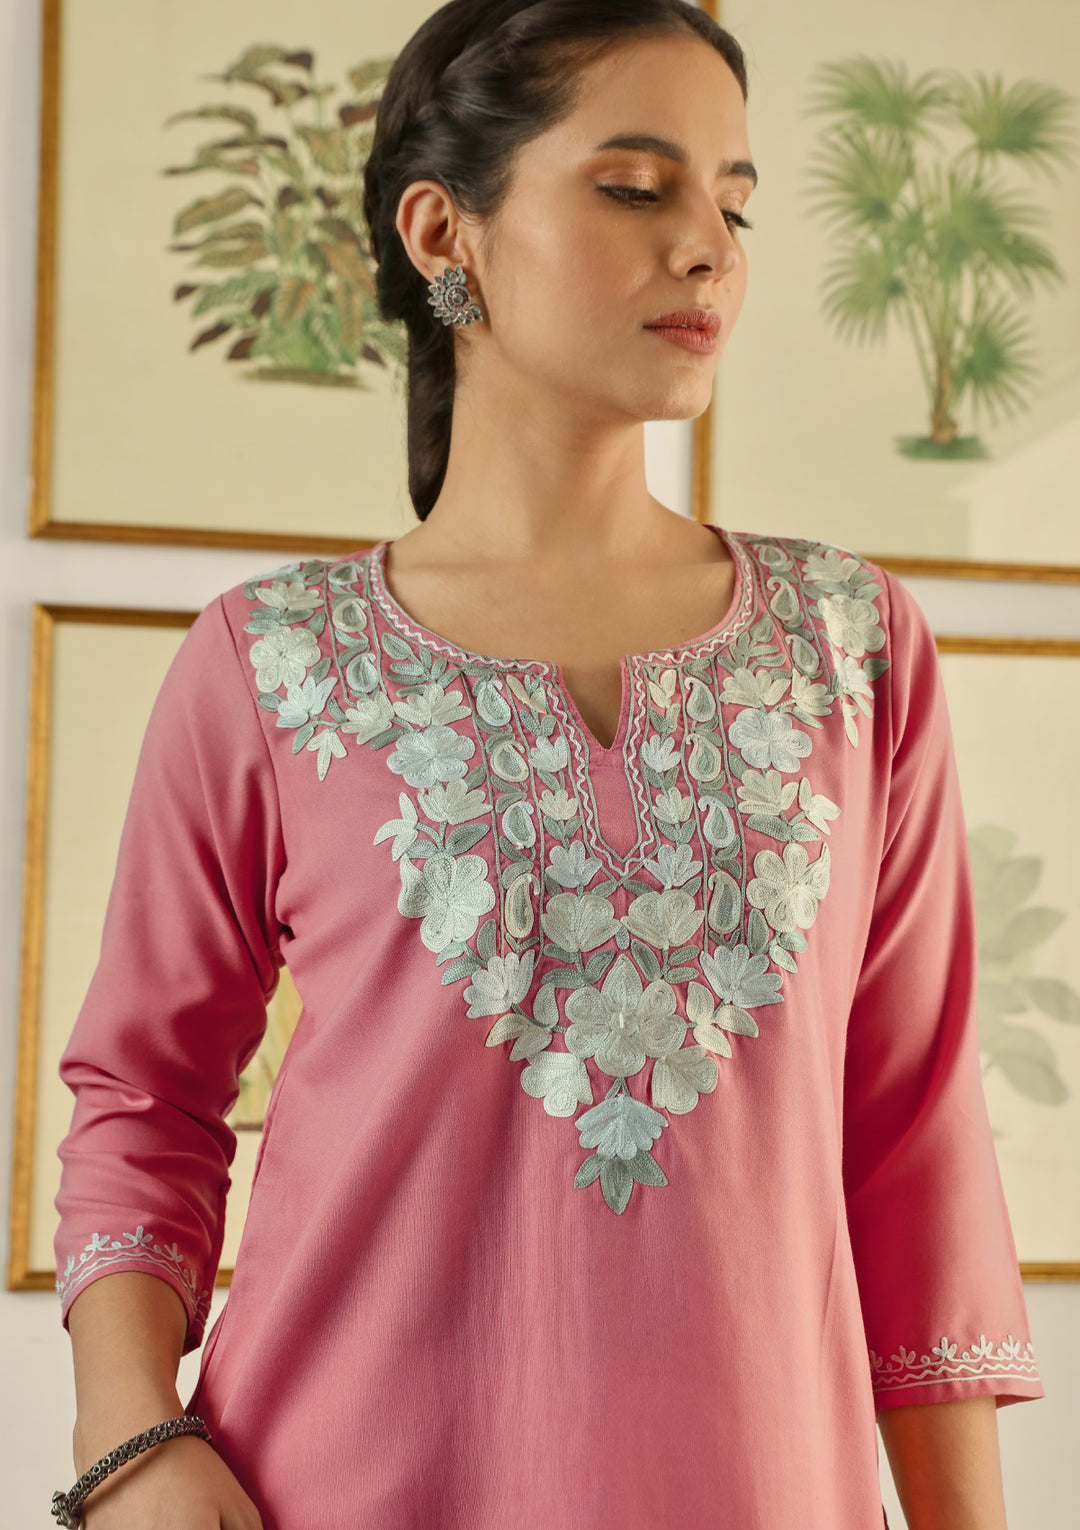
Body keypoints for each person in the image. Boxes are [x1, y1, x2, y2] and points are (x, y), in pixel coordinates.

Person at [51, 2, 1044, 1527]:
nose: (707, 248)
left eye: (735, 204)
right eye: (636, 188)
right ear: (443, 230)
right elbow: (143, 1097)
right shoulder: (273, 662)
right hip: (332, 1487)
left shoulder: (853, 648)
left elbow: (911, 1141)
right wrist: (130, 1443)